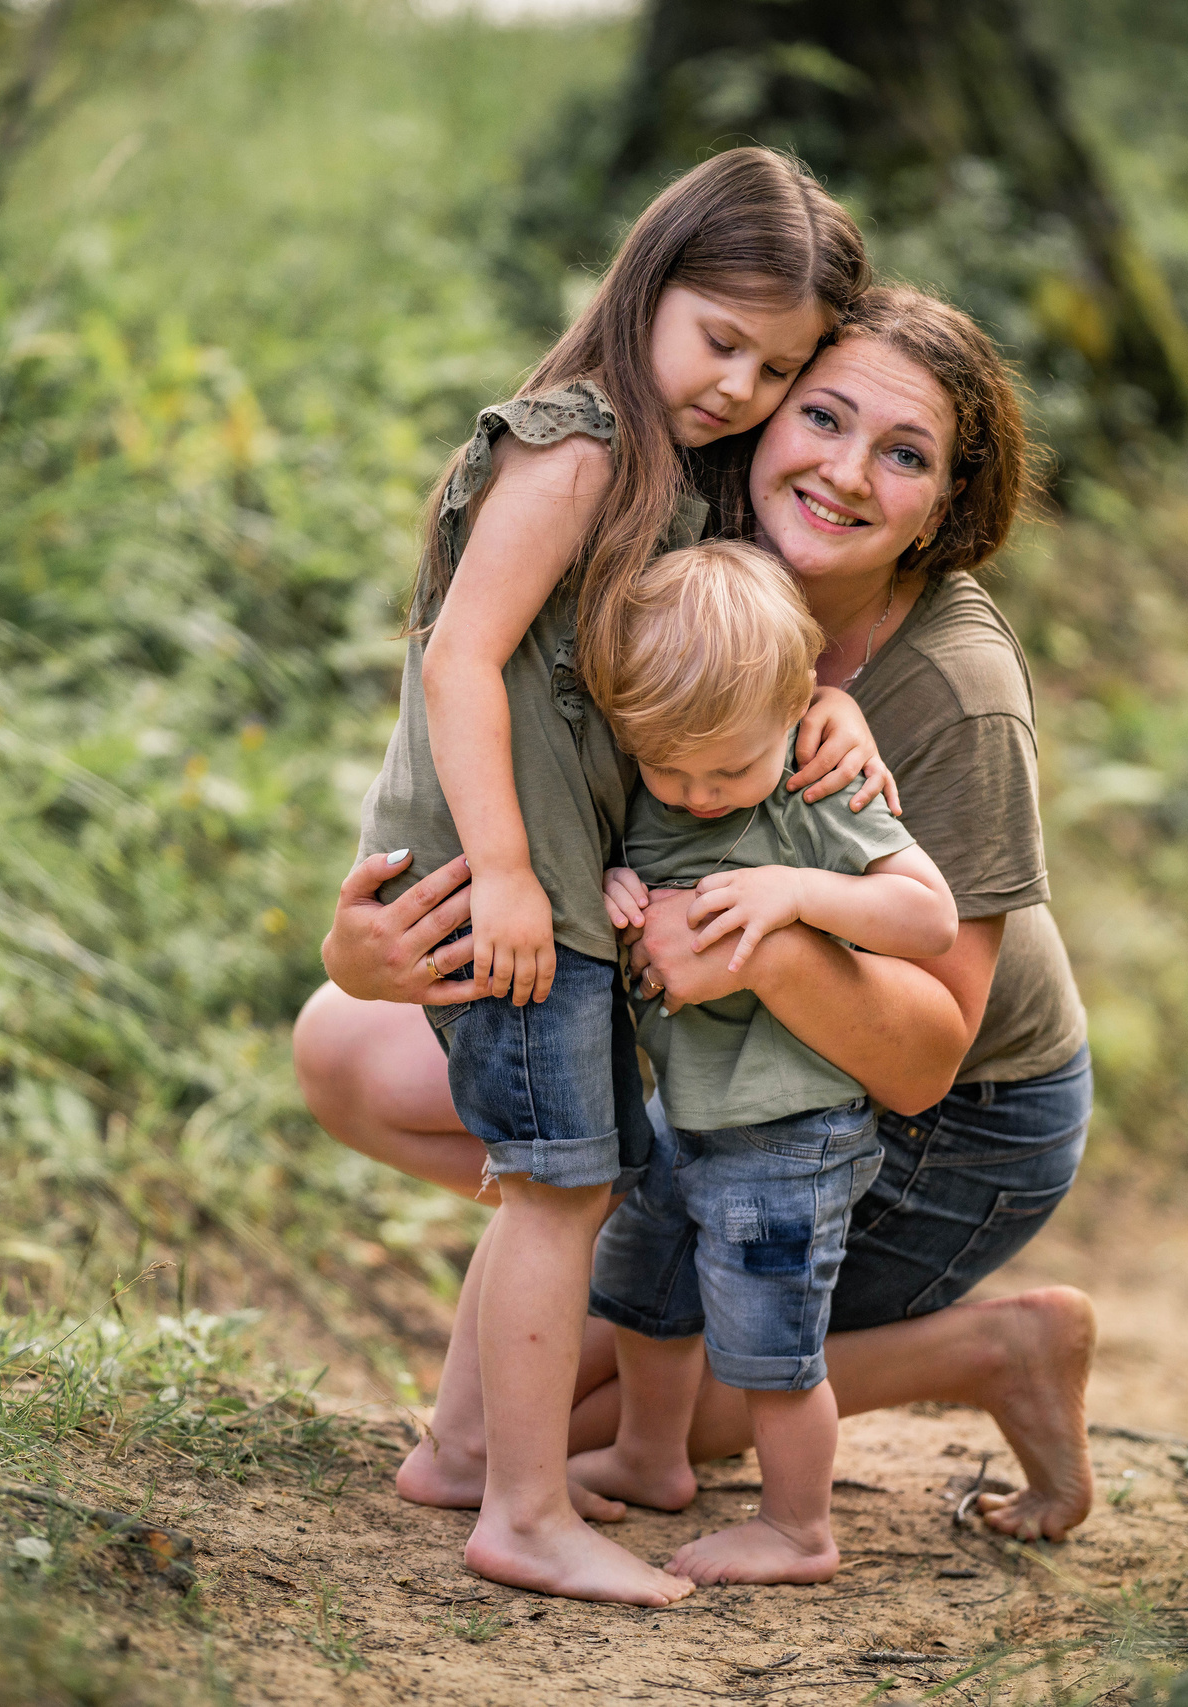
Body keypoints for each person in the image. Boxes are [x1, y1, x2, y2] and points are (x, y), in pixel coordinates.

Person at [300, 280, 1098, 1546]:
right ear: (768, 408)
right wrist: (375, 948)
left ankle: (990, 1349)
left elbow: (926, 1057)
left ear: (946, 503)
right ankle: (627, 1245)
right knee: (342, 1041)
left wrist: (760, 940)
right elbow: (526, 762)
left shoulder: (953, 690)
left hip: (948, 1122)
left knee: (689, 1385)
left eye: (903, 455)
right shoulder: (680, 550)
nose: (842, 472)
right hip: (708, 1059)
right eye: (821, 415)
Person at [348, 146, 870, 1605]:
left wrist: (818, 699)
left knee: (570, 1176)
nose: (740, 390)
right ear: (650, 284)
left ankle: (462, 1449)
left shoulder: (653, 471)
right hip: (508, 879)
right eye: (722, 341)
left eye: (777, 370)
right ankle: (521, 1510)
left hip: (559, 879)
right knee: (559, 1192)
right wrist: (509, 875)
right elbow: (461, 655)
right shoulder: (575, 445)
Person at [571, 539, 956, 1585]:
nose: (697, 794)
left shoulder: (814, 789)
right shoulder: (665, 785)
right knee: (643, 1297)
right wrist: (612, 889)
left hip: (791, 1133)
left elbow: (929, 916)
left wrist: (799, 891)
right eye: (670, 770)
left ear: (798, 708)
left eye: (727, 771)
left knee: (771, 1346)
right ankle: (651, 1459)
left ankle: (797, 1527)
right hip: (682, 1112)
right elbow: (646, 874)